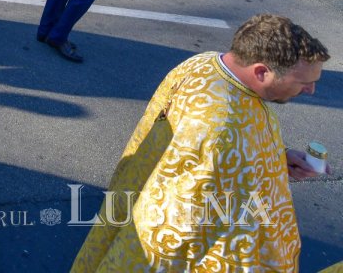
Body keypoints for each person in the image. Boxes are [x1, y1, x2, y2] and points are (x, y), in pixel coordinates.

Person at [71, 14, 330, 272]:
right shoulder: (223, 128)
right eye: (305, 82)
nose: (311, 90)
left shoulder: (202, 64)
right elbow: (182, 224)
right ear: (261, 72)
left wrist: (276, 157)